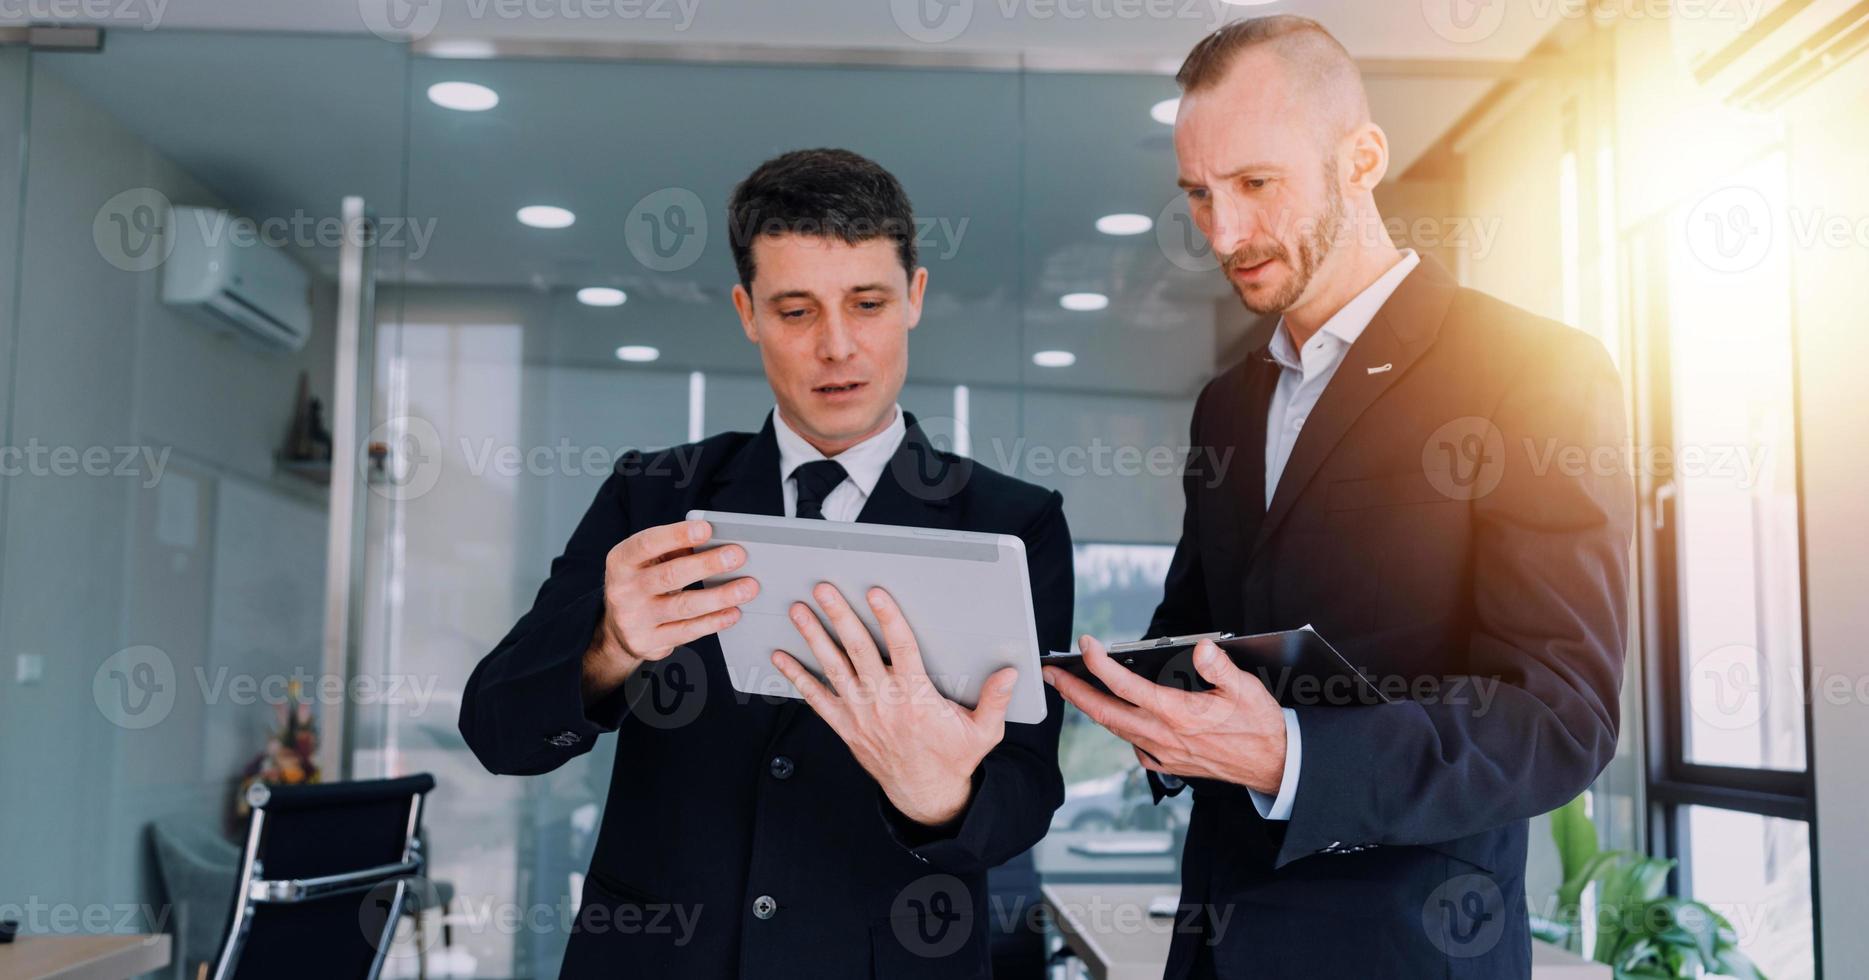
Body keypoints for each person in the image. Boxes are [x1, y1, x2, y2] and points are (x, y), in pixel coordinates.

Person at [1042, 16, 1635, 978]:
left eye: (1254, 184)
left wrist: (1292, 755)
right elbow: (1201, 632)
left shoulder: (1535, 373)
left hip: (1409, 950)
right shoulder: (1229, 404)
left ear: (1361, 159)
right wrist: (1139, 703)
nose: (1222, 232)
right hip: (1214, 940)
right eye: (1197, 194)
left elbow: (1560, 716)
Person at [459, 148, 1072, 978]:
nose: (836, 346)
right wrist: (608, 646)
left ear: (913, 300)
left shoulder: (1012, 523)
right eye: (795, 311)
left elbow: (1026, 792)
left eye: (867, 303)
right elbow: (499, 734)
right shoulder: (653, 496)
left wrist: (939, 796)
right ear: (747, 312)